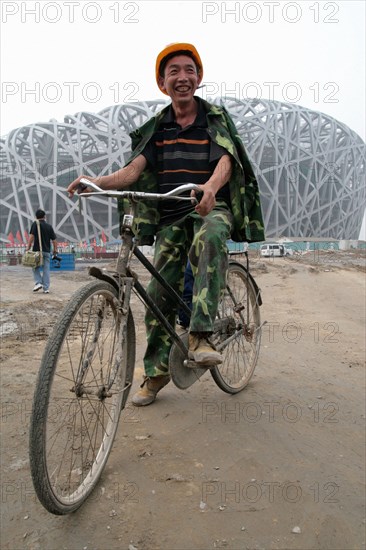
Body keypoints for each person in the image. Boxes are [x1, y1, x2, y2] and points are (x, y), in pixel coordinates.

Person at [67, 43, 265, 406]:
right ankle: (156, 374)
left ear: (199, 77)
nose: (182, 77)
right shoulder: (157, 128)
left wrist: (210, 187)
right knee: (158, 296)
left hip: (209, 207)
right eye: (173, 71)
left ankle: (201, 334)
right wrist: (95, 182)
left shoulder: (214, 119)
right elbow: (132, 171)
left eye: (189, 70)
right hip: (171, 216)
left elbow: (226, 161)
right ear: (162, 83)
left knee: (209, 239)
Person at [26, 209, 58, 294]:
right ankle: (46, 288)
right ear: (44, 217)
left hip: (37, 251)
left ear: (36, 217)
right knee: (46, 269)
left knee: (35, 267)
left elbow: (31, 237)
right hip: (47, 251)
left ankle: (38, 283)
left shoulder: (35, 224)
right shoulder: (49, 226)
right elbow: (54, 240)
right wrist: (55, 250)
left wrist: (28, 247)